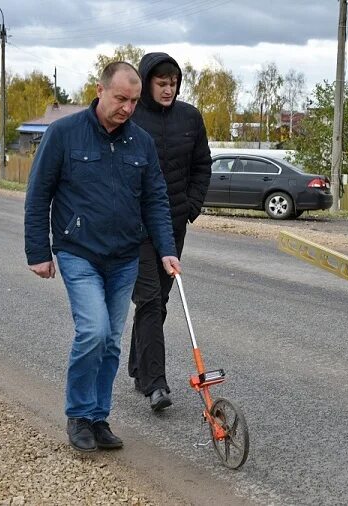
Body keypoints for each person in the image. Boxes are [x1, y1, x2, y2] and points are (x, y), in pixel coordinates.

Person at [24, 62, 180, 452]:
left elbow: (156, 199)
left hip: (125, 256)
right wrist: (38, 252)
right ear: (100, 90)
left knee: (110, 342)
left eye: (133, 101)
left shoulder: (140, 142)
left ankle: (98, 418)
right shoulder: (64, 134)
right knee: (92, 331)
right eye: (120, 99)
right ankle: (78, 415)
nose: (127, 108)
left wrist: (166, 249)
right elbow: (38, 193)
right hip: (79, 252)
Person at [127, 52, 211, 412]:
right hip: (137, 225)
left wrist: (191, 206)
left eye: (173, 83)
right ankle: (155, 384)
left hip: (174, 223)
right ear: (147, 83)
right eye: (161, 83)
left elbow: (202, 164)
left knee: (158, 300)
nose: (168, 89)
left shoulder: (189, 117)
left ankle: (138, 367)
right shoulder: (132, 115)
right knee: (147, 298)